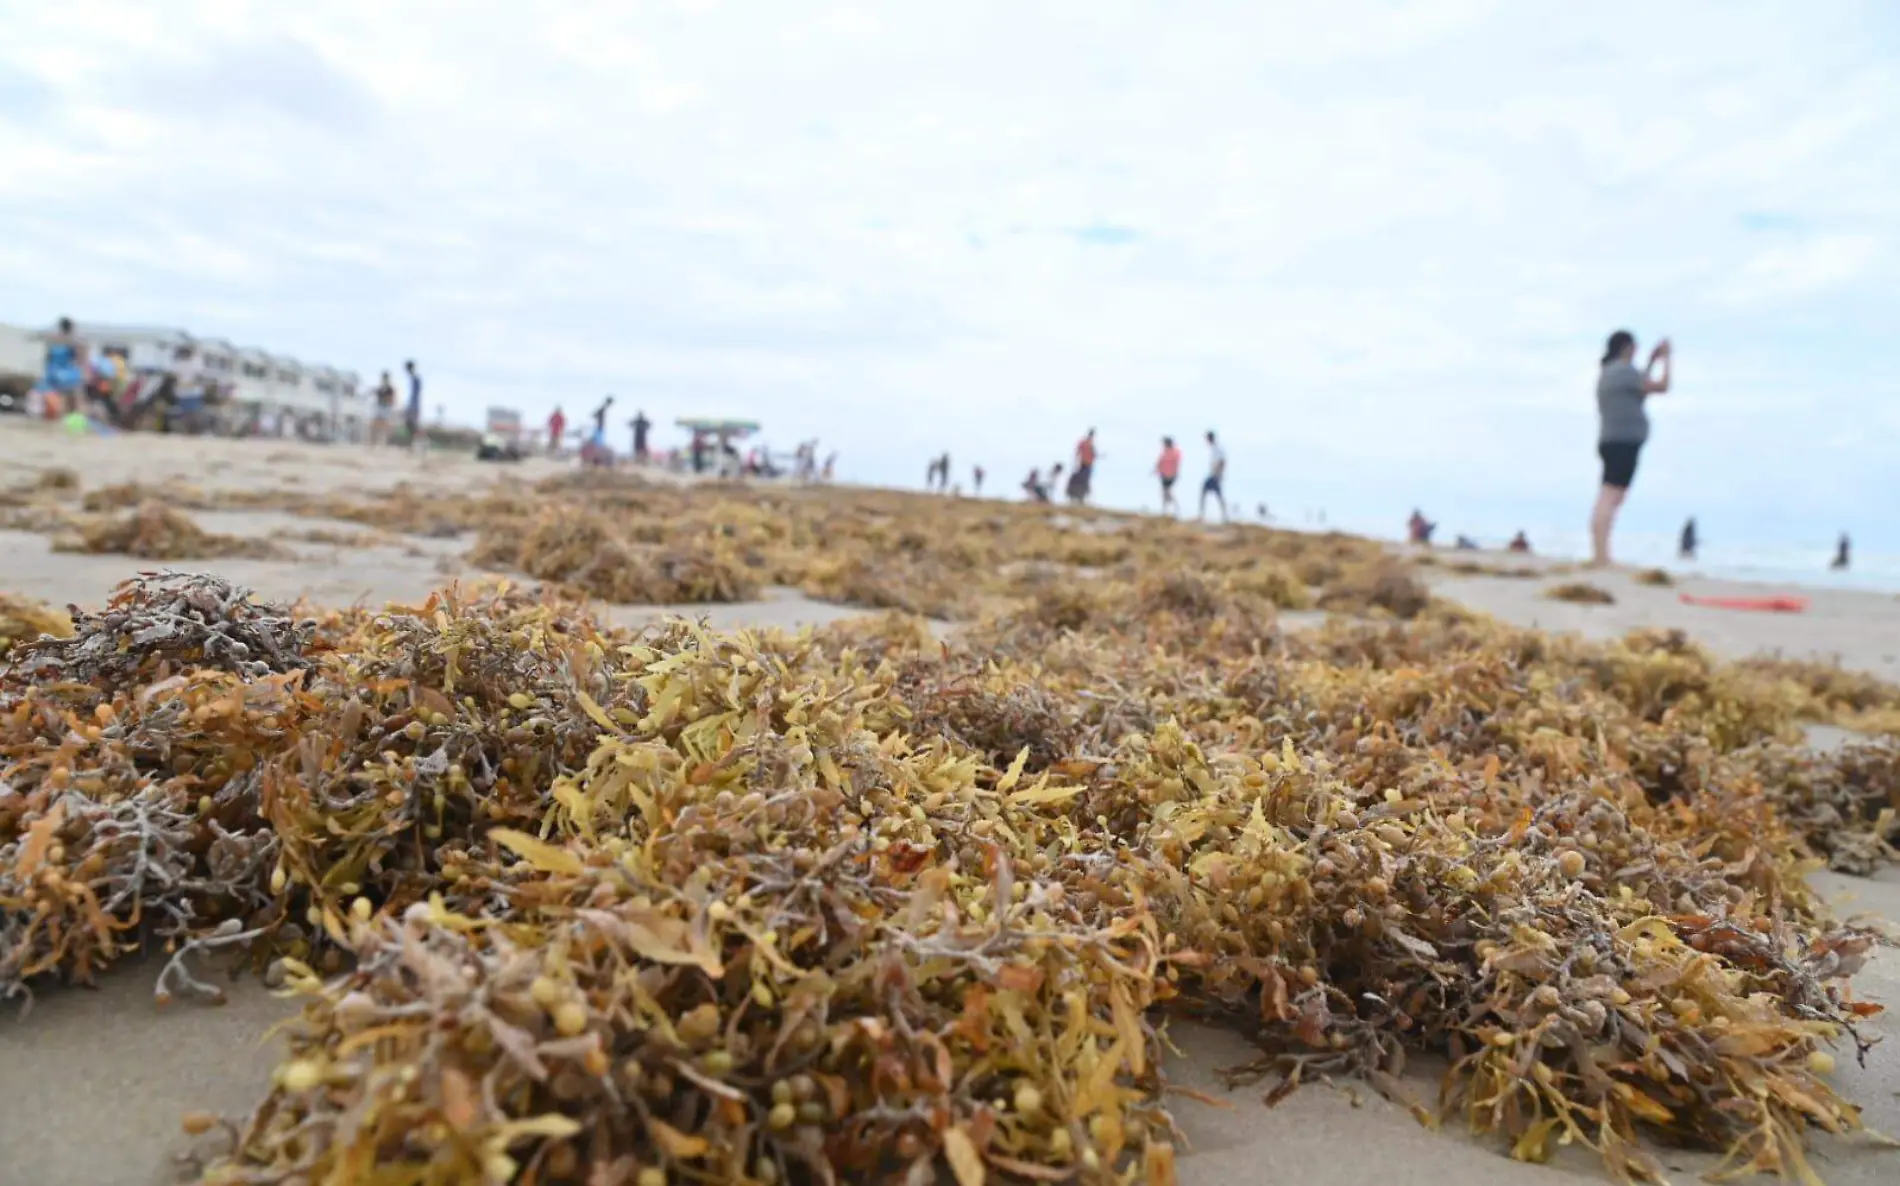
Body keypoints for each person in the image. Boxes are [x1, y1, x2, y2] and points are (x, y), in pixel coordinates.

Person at [1592, 329, 1670, 567]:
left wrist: (1652, 361)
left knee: (1610, 496)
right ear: (1626, 347)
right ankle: (1602, 556)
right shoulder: (1624, 372)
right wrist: (1667, 360)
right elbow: (1661, 386)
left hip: (1611, 440)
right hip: (1623, 441)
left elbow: (1638, 389)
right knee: (1611, 497)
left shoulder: (1611, 373)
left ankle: (1601, 554)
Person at [1198, 431, 1226, 522]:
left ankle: (1202, 515)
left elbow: (1221, 462)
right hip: (1214, 475)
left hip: (1215, 475)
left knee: (1204, 491)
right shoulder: (1214, 448)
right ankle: (1224, 516)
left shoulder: (1217, 448)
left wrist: (1217, 474)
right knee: (1218, 495)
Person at [1155, 436, 1181, 515]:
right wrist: (1157, 470)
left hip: (1171, 475)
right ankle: (1164, 510)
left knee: (1168, 492)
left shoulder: (1174, 452)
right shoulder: (1164, 452)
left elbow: (1176, 464)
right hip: (1163, 475)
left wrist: (1172, 474)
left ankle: (1175, 509)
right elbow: (1159, 462)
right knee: (1164, 493)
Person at [403, 360, 424, 453]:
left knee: (412, 426)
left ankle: (421, 442)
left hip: (414, 405)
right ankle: (412, 446)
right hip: (413, 405)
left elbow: (415, 394)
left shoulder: (415, 378)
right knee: (410, 426)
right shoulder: (414, 378)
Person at [370, 371, 396, 446]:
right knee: (374, 425)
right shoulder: (380, 388)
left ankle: (386, 442)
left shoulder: (390, 389)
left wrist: (387, 401)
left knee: (386, 426)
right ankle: (373, 443)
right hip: (379, 407)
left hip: (386, 408)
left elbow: (391, 400)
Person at [1073, 429, 1098, 503]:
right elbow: (1078, 451)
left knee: (1084, 481)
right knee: (1083, 481)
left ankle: (1082, 497)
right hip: (1085, 464)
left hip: (1087, 464)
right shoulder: (1087, 443)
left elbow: (1093, 454)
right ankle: (1080, 497)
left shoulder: (1088, 443)